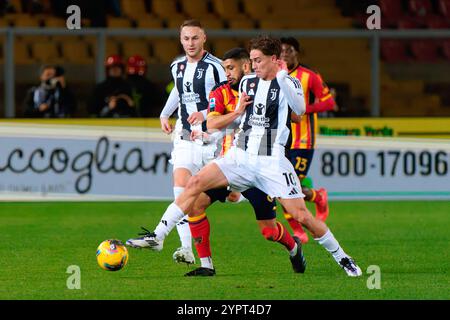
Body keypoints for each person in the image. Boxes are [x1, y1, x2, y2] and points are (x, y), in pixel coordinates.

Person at [128, 36, 362, 277]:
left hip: (271, 160)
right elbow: (242, 117)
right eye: (251, 60)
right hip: (240, 155)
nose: (253, 66)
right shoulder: (248, 83)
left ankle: (343, 258)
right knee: (195, 183)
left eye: (258, 60)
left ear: (274, 59)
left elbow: (300, 111)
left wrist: (281, 78)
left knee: (301, 215)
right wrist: (217, 119)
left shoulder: (288, 82)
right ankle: (159, 235)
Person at [126, 19, 227, 265]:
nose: (190, 43)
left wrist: (205, 117)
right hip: (184, 135)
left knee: (223, 194)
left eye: (194, 38)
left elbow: (226, 99)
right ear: (180, 40)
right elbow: (179, 92)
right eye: (186, 38)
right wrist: (164, 113)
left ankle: (246, 192)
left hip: (211, 137)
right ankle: (184, 248)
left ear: (204, 38)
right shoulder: (177, 66)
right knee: (181, 188)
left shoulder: (216, 67)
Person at [280, 37, 337, 243]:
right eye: (282, 50)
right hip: (281, 141)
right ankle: (316, 197)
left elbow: (329, 102)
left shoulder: (309, 76)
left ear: (297, 53)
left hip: (303, 141)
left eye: (289, 50)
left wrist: (303, 110)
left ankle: (299, 230)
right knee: (282, 188)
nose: (285, 53)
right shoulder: (275, 76)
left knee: (288, 187)